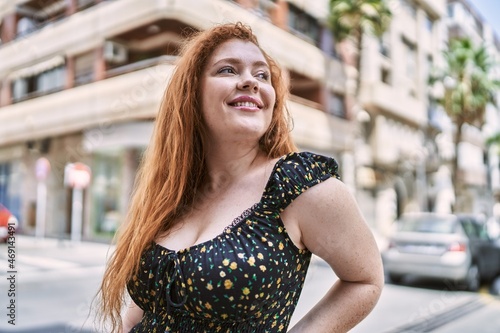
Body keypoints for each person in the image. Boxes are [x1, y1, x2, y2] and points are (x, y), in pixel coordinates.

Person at [96, 22, 384, 333]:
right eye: (228, 70)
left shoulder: (296, 185)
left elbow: (365, 279)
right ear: (192, 92)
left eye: (262, 75)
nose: (251, 81)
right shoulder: (176, 191)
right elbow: (145, 307)